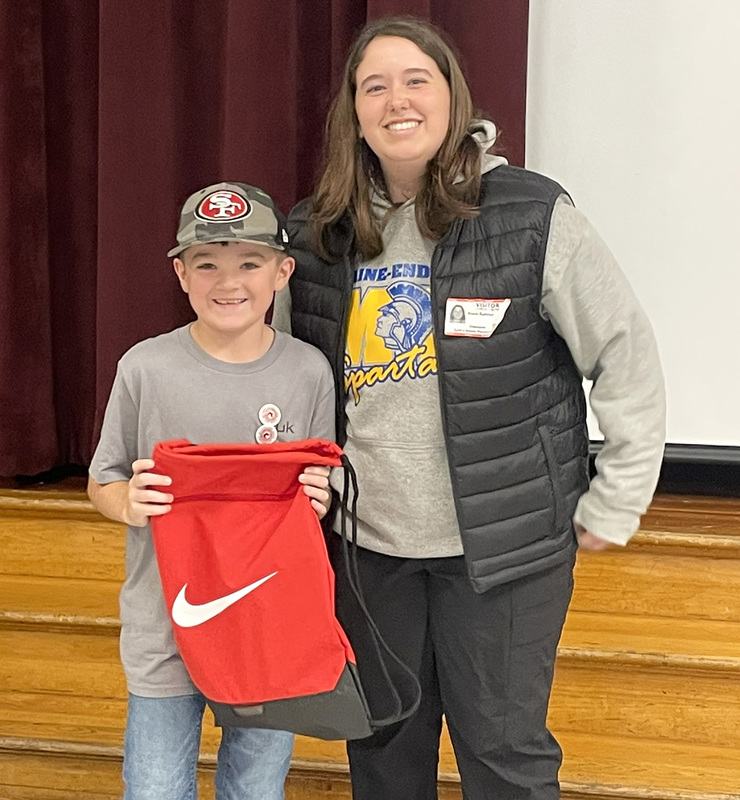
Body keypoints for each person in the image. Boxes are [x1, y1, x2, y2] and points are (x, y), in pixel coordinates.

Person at [283, 16, 666, 800]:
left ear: (452, 98)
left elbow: (624, 351)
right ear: (353, 112)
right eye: (374, 85)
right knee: (385, 759)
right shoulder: (316, 233)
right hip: (367, 551)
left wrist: (620, 497)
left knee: (503, 757)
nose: (397, 100)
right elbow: (286, 384)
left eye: (416, 79)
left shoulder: (531, 215)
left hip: (503, 550)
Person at [87, 181, 334, 800]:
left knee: (255, 790)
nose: (230, 282)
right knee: (154, 789)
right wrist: (127, 502)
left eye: (250, 263)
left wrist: (319, 501)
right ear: (181, 275)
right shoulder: (144, 367)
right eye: (208, 264)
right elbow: (103, 477)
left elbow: (321, 484)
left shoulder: (309, 371)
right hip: (165, 626)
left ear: (283, 272)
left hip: (269, 628)